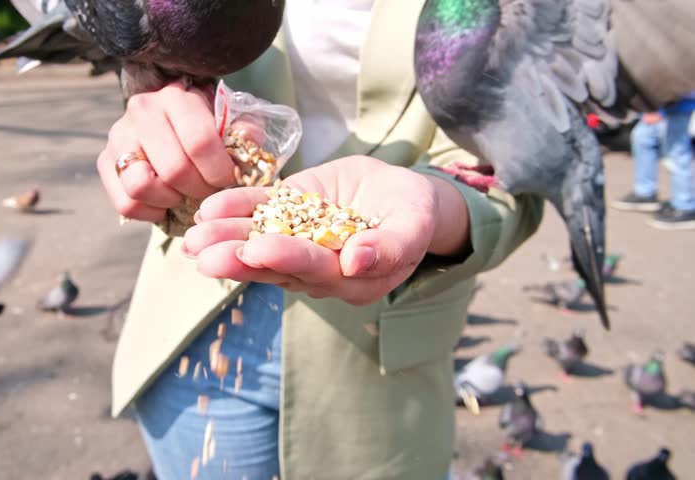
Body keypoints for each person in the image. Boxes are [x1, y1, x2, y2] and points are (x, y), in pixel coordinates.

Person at [96, 1, 543, 478]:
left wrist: (434, 206)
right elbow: (152, 59)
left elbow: (519, 180)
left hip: (374, 365)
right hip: (193, 328)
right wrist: (156, 115)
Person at [611, 93, 695, 229]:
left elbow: (675, 82)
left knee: (677, 153)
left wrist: (659, 111)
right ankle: (645, 193)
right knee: (642, 137)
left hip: (680, 103)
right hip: (669, 104)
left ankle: (685, 206)